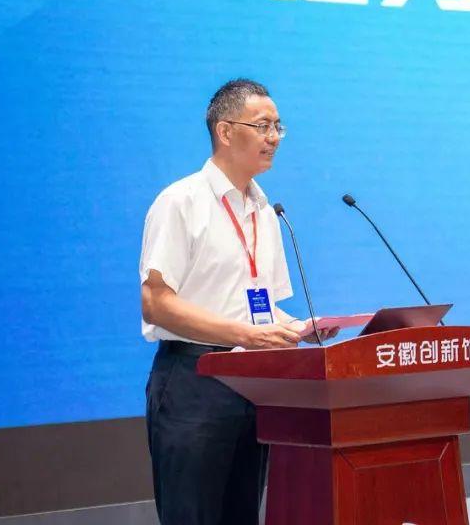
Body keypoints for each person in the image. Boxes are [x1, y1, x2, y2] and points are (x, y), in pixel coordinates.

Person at [139, 78, 337, 525]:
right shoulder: (181, 202)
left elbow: (256, 306)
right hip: (194, 381)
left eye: (278, 127)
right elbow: (156, 303)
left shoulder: (264, 210)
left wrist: (300, 328)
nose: (274, 138)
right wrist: (246, 335)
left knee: (242, 515)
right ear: (225, 131)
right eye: (263, 126)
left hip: (253, 383)